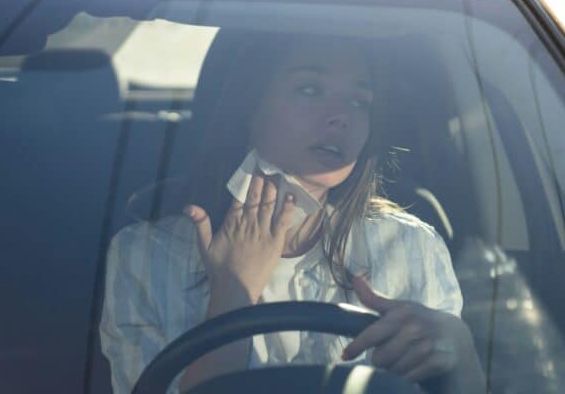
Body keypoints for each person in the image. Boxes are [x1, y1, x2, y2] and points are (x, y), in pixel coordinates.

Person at [99, 33, 484, 393]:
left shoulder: (412, 245)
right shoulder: (145, 254)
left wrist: (461, 352)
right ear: (249, 107)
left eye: (358, 102)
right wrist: (233, 293)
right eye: (310, 89)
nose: (341, 116)